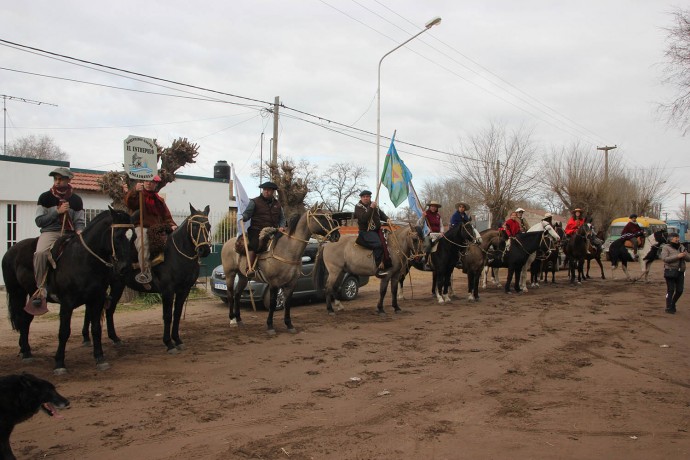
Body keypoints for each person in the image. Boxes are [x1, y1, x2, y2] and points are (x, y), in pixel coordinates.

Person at [31, 167, 86, 308]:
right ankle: (40, 289)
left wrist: (80, 230)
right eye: (55, 178)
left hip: (70, 233)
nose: (57, 181)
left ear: (68, 180)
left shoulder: (76, 200)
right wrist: (57, 211)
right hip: (50, 232)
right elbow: (39, 221)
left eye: (60, 178)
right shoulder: (45, 197)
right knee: (41, 253)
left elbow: (79, 221)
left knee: (88, 252)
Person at [125, 175, 177, 283]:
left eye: (152, 182)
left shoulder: (159, 200)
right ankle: (145, 273)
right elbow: (129, 203)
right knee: (143, 244)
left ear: (156, 184)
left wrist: (172, 225)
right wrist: (134, 190)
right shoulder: (138, 195)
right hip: (142, 227)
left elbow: (166, 216)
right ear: (143, 182)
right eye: (147, 181)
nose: (149, 183)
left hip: (158, 228)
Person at [241, 181, 286, 279]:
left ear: (273, 191)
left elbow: (282, 218)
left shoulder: (278, 205)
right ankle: (249, 269)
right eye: (264, 190)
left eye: (269, 190)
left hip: (273, 230)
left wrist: (282, 226)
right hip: (256, 230)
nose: (266, 192)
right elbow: (247, 214)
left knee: (284, 242)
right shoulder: (254, 202)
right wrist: (243, 217)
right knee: (255, 244)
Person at [354, 190, 390, 277]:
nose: (366, 198)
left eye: (367, 196)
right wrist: (371, 208)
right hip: (366, 232)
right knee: (378, 245)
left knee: (389, 243)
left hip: (377, 230)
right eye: (364, 197)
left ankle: (388, 264)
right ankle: (378, 269)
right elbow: (363, 218)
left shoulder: (374, 205)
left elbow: (381, 214)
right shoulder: (358, 207)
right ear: (361, 198)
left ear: (370, 197)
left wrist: (387, 219)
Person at [660, 232, 690, 314]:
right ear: (670, 239)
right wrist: (677, 256)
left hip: (681, 271)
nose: (677, 239)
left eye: (678, 237)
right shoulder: (666, 247)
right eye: (675, 237)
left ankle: (673, 304)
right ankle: (668, 306)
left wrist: (685, 255)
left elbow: (688, 259)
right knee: (670, 290)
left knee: (680, 290)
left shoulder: (682, 246)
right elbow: (665, 259)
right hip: (670, 271)